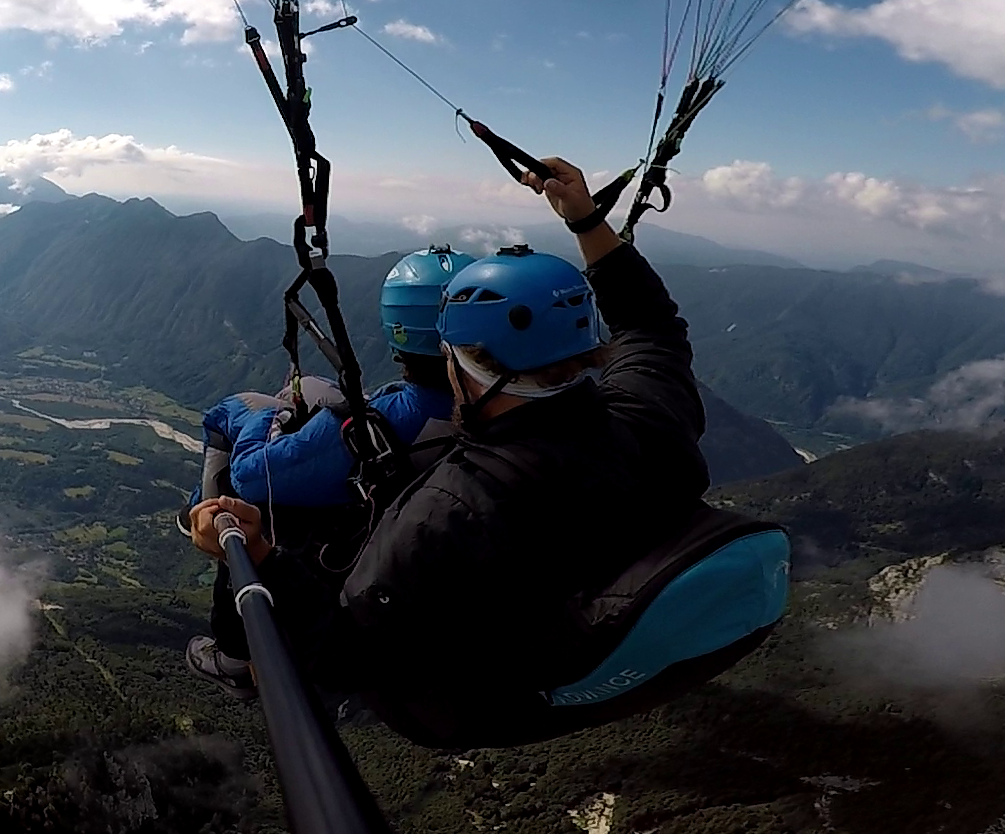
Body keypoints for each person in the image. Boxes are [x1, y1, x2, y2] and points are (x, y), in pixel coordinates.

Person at [189, 157, 711, 748]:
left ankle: (236, 655)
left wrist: (257, 553)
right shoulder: (649, 414)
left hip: (473, 702)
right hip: (586, 623)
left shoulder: (455, 509)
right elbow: (652, 327)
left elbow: (345, 655)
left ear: (465, 366)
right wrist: (588, 223)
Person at [184, 247, 475, 699]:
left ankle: (236, 646)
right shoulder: (495, 414)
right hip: (405, 540)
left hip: (341, 545)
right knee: (317, 389)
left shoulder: (381, 420)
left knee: (231, 412)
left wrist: (277, 413)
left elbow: (251, 475)